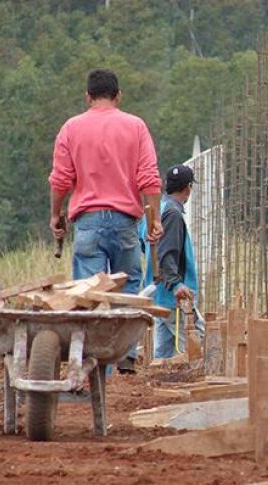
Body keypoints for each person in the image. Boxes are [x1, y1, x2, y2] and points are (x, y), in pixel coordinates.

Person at [48, 68, 163, 374]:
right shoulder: (135, 126)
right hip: (126, 221)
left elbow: (60, 180)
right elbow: (149, 178)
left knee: (89, 295)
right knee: (128, 288)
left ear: (88, 97)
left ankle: (94, 367)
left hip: (88, 222)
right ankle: (125, 355)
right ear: (118, 95)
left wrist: (55, 215)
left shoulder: (71, 128)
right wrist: (155, 220)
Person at [139, 165, 202, 359]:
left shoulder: (156, 211)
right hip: (175, 296)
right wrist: (176, 284)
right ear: (187, 188)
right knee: (197, 349)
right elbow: (167, 254)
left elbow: (145, 245)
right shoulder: (173, 214)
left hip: (158, 293)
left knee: (163, 353)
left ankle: (156, 384)